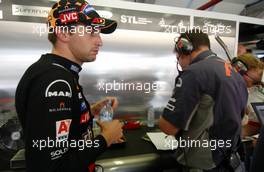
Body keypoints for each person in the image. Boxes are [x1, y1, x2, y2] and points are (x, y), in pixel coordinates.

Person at [15, 1, 123, 172]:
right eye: (92, 32)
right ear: (63, 33)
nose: (99, 41)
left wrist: (90, 111)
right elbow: (51, 167)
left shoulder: (56, 72)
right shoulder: (54, 79)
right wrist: (106, 138)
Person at [159, 29, 248, 171]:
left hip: (202, 162)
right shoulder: (235, 73)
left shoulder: (194, 72)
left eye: (178, 58)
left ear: (184, 49)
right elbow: (242, 118)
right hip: (229, 158)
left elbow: (168, 127)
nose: (180, 64)